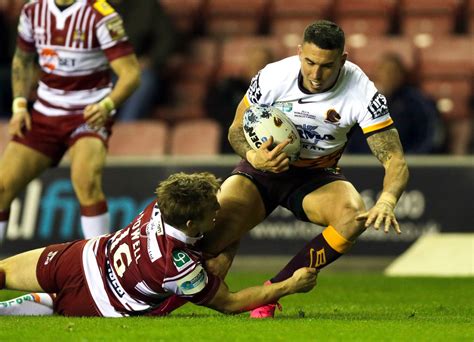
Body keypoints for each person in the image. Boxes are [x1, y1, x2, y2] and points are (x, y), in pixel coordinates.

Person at [199, 20, 410, 318]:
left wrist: (388, 200)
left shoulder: (363, 92)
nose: (315, 74)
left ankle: (273, 291)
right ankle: (153, 296)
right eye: (309, 62)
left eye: (326, 66)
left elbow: (395, 159)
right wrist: (253, 156)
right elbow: (235, 130)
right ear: (299, 52)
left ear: (343, 60)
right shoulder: (273, 76)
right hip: (261, 169)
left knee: (353, 216)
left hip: (315, 176)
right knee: (210, 250)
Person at [0, 172, 317, 317]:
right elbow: (230, 303)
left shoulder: (160, 205)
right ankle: (46, 303)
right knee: (58, 305)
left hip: (80, 257)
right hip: (98, 301)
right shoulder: (177, 267)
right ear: (192, 224)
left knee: (3, 271)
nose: (218, 211)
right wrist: (289, 286)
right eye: (212, 210)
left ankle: (29, 305)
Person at [0, 0, 141, 243]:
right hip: (44, 113)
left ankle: (101, 267)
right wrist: (20, 105)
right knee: (2, 187)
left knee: (86, 181)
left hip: (86, 114)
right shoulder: (32, 11)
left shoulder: (100, 14)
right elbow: (22, 60)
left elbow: (131, 74)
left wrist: (107, 105)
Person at [346, 53, 443, 154]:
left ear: (402, 75)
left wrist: (413, 160)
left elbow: (431, 135)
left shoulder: (417, 102)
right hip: (362, 164)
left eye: (393, 72)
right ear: (376, 74)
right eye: (384, 71)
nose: (389, 76)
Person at [109, 0, 177, 121]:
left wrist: (151, 60)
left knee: (143, 80)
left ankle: (127, 130)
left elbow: (167, 39)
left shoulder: (146, 5)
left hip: (135, 69)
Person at [206, 46, 275, 153]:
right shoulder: (229, 86)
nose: (257, 66)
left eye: (262, 62)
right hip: (232, 145)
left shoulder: (275, 90)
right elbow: (212, 108)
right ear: (247, 62)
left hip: (265, 146)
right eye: (254, 61)